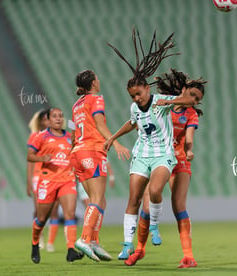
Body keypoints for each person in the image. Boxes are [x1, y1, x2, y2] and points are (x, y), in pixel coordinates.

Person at [105, 29, 199, 266]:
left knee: (156, 192)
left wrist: (171, 100)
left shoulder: (161, 101)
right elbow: (132, 123)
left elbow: (190, 102)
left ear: (148, 89)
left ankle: (157, 228)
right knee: (134, 199)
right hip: (142, 154)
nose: (135, 98)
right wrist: (113, 137)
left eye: (138, 93)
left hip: (164, 155)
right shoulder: (135, 107)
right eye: (132, 96)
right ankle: (129, 245)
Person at [120, 69, 206, 268]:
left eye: (197, 98)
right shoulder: (159, 106)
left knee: (179, 206)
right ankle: (140, 249)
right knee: (148, 203)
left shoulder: (190, 114)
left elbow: (190, 137)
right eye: (192, 94)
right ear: (183, 90)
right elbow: (138, 122)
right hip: (158, 158)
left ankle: (188, 255)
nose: (193, 99)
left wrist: (189, 149)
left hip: (180, 160)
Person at [71, 69, 130, 262]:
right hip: (92, 150)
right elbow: (100, 125)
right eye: (97, 77)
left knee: (99, 200)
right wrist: (117, 142)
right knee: (96, 198)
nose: (99, 80)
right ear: (94, 83)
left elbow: (76, 131)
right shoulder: (96, 99)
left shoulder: (77, 104)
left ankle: (94, 241)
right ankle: (85, 238)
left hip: (78, 152)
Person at [27, 108, 84, 264]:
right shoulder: (41, 136)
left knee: (70, 214)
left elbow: (76, 153)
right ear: (49, 119)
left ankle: (71, 250)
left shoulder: (69, 136)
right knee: (41, 218)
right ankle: (35, 244)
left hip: (67, 179)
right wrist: (42, 157)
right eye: (54, 116)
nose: (58, 119)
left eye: (60, 116)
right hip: (48, 181)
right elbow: (30, 156)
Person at [26, 108, 60, 252]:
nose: (48, 121)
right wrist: (29, 180)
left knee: (54, 210)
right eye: (46, 119)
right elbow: (30, 161)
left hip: (56, 176)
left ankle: (51, 242)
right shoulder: (36, 136)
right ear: (41, 121)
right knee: (39, 211)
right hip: (39, 176)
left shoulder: (61, 136)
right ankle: (39, 238)